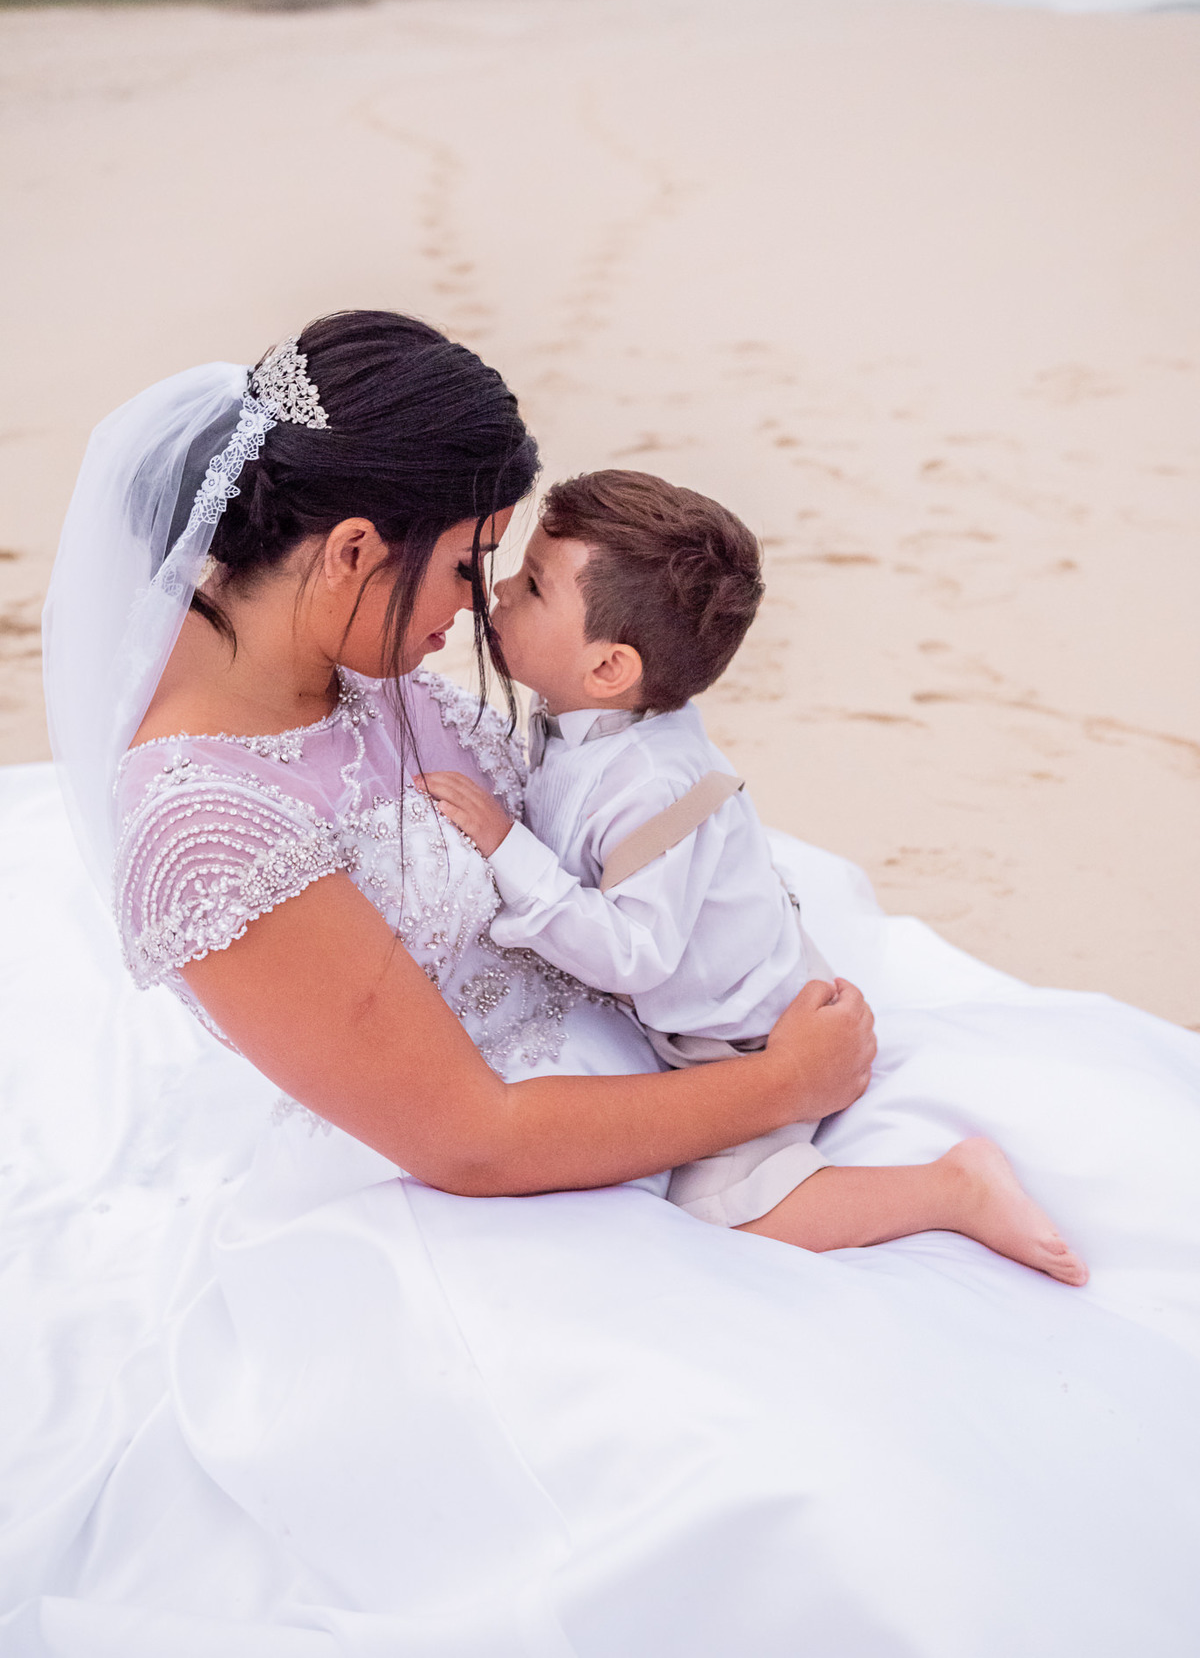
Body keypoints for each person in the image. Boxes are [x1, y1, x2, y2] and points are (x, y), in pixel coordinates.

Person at [11, 306, 1200, 1654]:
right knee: (830, 1485)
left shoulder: (352, 660)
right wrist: (781, 1082)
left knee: (1110, 1168)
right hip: (479, 1205)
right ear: (350, 551)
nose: (475, 610)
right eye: (468, 566)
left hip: (646, 1037)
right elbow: (470, 1140)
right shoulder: (212, 827)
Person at [421, 470, 1087, 1282]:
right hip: (707, 999)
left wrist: (505, 847)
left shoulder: (652, 784)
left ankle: (951, 1190)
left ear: (610, 668)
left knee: (724, 1215)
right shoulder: (587, 719)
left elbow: (635, 954)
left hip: (738, 1041)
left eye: (533, 586)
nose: (499, 591)